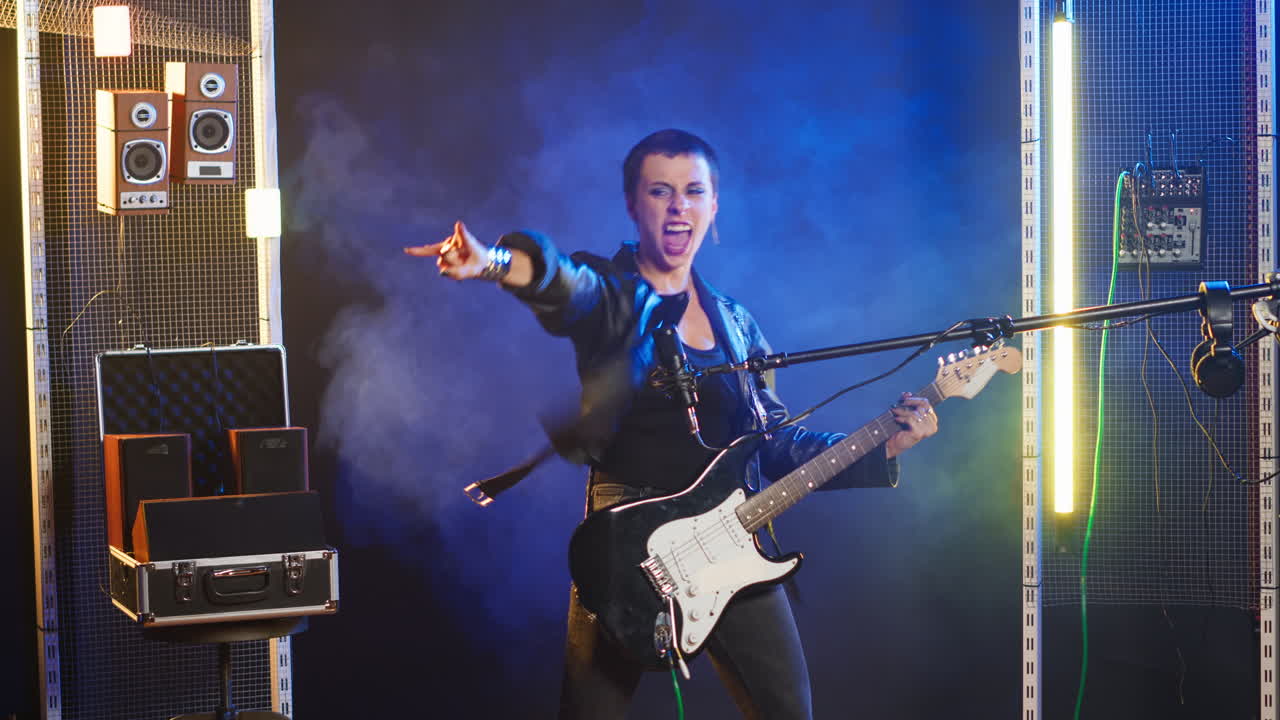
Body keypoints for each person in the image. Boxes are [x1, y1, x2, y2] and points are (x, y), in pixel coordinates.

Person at [404, 129, 938, 719]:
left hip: (730, 539)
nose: (679, 205)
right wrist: (493, 263)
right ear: (633, 205)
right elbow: (563, 282)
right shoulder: (612, 296)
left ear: (714, 207)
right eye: (660, 191)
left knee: (789, 711)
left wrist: (884, 444)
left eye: (693, 191)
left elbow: (774, 442)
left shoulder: (736, 323)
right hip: (629, 545)